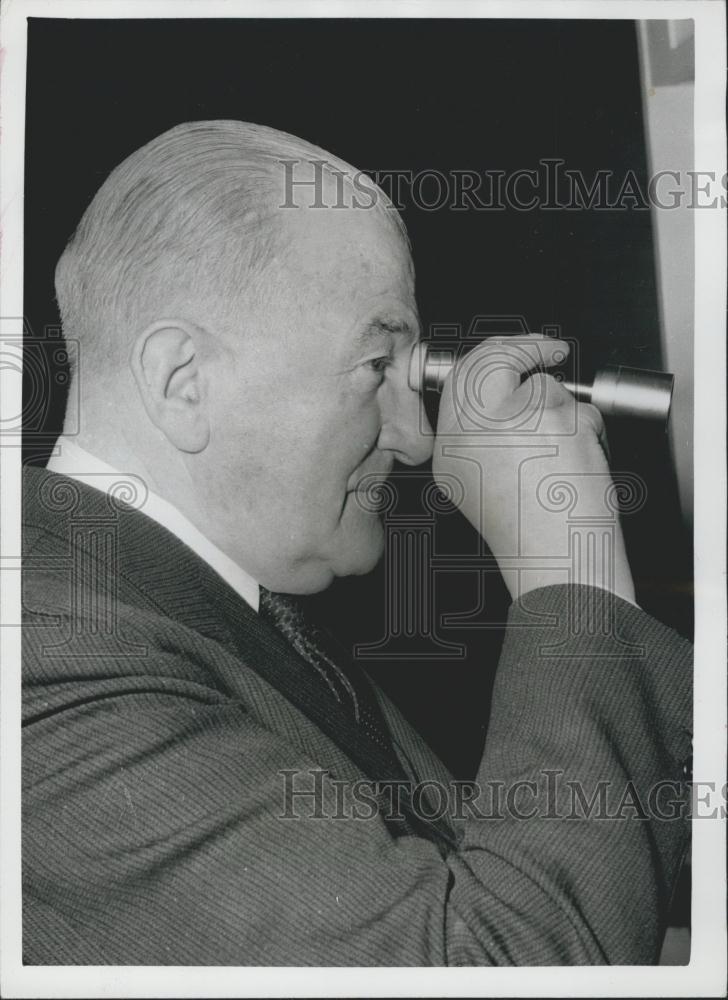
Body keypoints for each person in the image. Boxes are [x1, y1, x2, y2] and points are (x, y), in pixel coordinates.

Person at [22, 120, 692, 966]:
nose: (416, 441)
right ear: (182, 381)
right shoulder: (47, 660)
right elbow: (503, 966)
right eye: (379, 366)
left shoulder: (210, 616)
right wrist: (569, 563)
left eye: (414, 376)